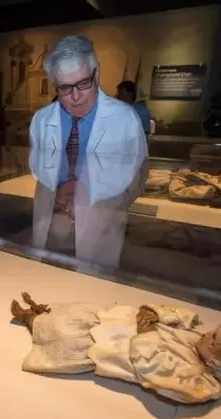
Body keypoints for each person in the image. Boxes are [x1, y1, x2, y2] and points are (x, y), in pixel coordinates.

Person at [29, 35, 148, 268]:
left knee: (93, 295)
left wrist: (93, 193)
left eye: (84, 83)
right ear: (55, 85)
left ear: (96, 74)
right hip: (51, 228)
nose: (76, 96)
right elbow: (38, 169)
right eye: (65, 87)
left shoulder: (125, 119)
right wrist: (57, 190)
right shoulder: (41, 120)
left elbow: (139, 176)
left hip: (100, 228)